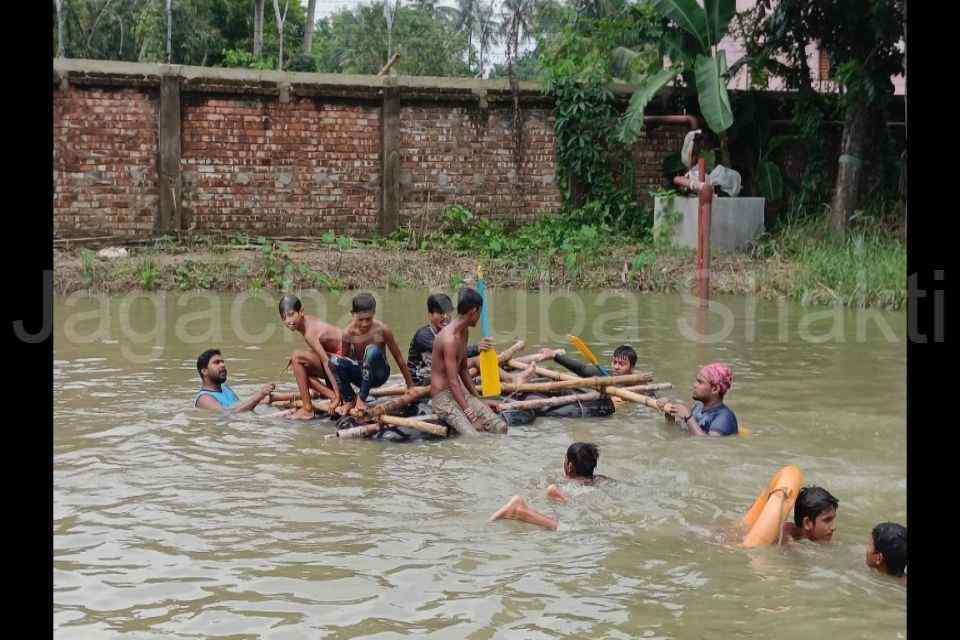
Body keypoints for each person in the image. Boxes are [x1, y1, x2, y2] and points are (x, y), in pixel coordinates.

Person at [430, 287, 507, 435]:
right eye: (480, 312)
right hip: (442, 399)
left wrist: (479, 400)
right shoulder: (449, 339)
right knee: (474, 438)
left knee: (500, 427)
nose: (479, 317)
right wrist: (471, 416)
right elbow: (453, 382)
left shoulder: (464, 331)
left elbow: (463, 369)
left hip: (460, 394)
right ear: (473, 311)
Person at [488, 443, 609, 531]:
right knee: (575, 528)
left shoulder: (564, 484)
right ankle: (520, 510)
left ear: (570, 466)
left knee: (569, 528)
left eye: (565, 460)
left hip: (569, 497)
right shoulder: (601, 480)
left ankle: (519, 510)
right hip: (586, 500)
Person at [330, 292, 415, 417]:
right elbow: (343, 363)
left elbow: (398, 358)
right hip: (361, 376)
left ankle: (361, 399)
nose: (364, 324)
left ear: (374, 313)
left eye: (368, 319)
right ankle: (350, 399)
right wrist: (338, 395)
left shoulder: (382, 330)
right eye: (360, 320)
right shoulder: (348, 333)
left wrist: (410, 385)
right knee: (334, 361)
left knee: (372, 350)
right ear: (352, 314)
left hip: (379, 374)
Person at [279, 294, 343, 420]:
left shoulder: (310, 332)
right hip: (339, 362)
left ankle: (307, 408)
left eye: (291, 314)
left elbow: (326, 362)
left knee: (296, 357)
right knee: (299, 366)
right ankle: (330, 394)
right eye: (284, 317)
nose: (288, 321)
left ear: (301, 312)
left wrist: (337, 396)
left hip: (344, 364)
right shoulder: (308, 321)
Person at [407, 293, 492, 386]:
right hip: (422, 379)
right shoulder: (423, 335)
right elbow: (451, 351)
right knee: (465, 365)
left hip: (439, 371)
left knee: (477, 360)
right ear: (430, 315)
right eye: (440, 313)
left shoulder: (448, 332)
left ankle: (509, 378)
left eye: (447, 312)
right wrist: (476, 348)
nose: (445, 317)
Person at [659, 363, 738, 436]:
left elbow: (708, 444)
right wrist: (669, 414)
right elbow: (680, 432)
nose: (694, 385)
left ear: (715, 389)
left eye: (700, 382)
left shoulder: (725, 417)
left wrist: (688, 417)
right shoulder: (698, 408)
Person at [193, 349, 274, 413]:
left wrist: (278, 399)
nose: (222, 365)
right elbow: (230, 414)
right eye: (216, 363)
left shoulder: (225, 388)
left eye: (222, 362)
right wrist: (260, 395)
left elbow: (242, 406)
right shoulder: (204, 398)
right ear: (204, 371)